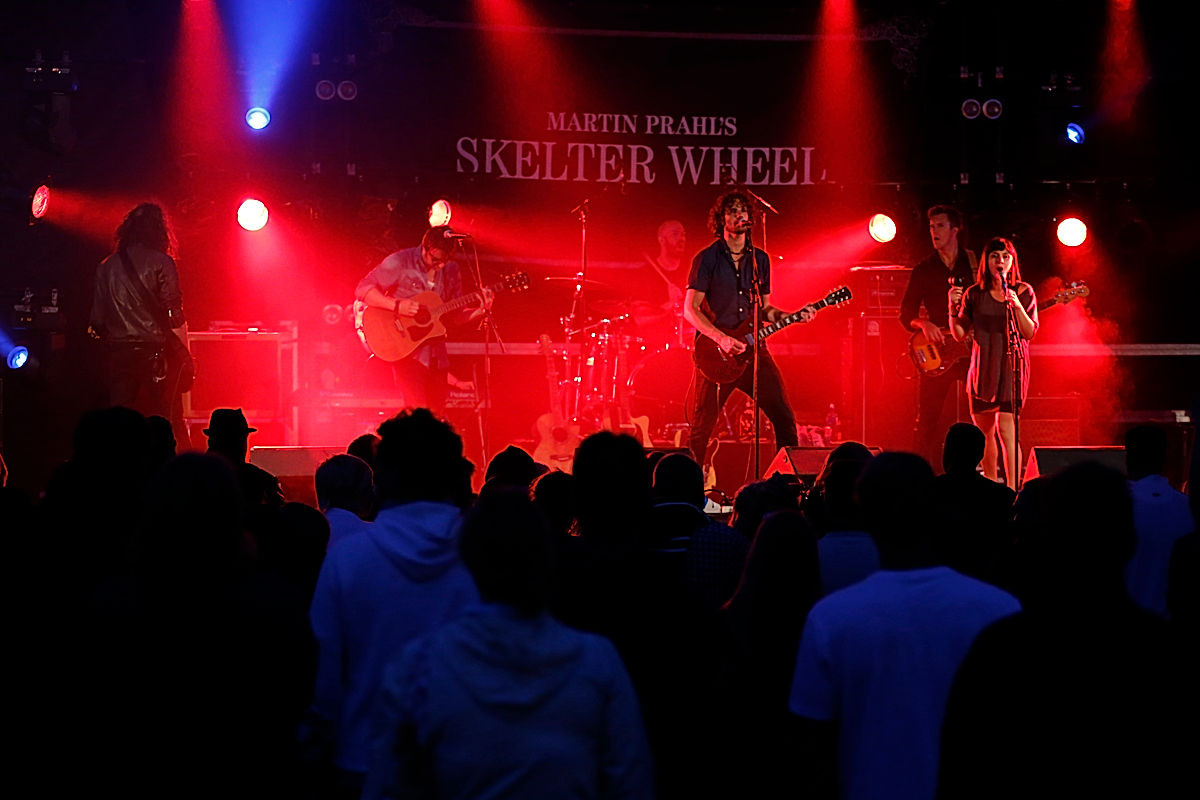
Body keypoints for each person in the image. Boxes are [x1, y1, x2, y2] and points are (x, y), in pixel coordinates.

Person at [683, 190, 806, 466]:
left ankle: (786, 486)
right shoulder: (707, 259)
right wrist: (722, 339)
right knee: (702, 428)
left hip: (754, 352)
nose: (741, 216)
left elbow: (765, 310)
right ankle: (688, 488)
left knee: (785, 420)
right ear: (721, 219)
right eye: (733, 211)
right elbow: (690, 309)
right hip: (716, 354)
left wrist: (793, 315)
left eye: (744, 211)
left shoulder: (759, 260)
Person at [355, 225, 492, 413]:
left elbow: (455, 316)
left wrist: (480, 310)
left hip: (437, 356)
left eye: (445, 260)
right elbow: (363, 290)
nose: (440, 265)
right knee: (417, 418)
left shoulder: (451, 270)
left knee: (437, 417)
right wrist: (396, 305)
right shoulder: (401, 262)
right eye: (435, 259)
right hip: (407, 352)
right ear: (424, 247)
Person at [89, 202, 190, 435]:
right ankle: (177, 467)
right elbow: (174, 314)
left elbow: (97, 320)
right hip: (156, 352)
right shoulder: (162, 262)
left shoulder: (106, 267)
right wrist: (185, 351)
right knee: (168, 417)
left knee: (119, 421)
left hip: (120, 354)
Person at [949, 237, 1038, 489]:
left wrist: (1017, 305)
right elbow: (959, 333)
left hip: (1011, 368)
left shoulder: (1022, 291)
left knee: (1008, 431)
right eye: (994, 257)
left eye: (1005, 257)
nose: (1000, 262)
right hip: (982, 369)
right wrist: (950, 306)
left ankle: (1012, 489)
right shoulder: (974, 294)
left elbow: (1029, 332)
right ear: (986, 261)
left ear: (1012, 261)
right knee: (984, 433)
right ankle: (989, 486)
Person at [898, 205, 977, 467]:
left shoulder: (975, 264)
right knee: (927, 419)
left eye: (940, 226)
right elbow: (905, 312)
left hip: (969, 349)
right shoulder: (924, 269)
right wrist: (923, 323)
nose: (934, 232)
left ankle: (977, 471)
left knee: (978, 414)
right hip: (937, 349)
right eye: (931, 227)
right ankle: (918, 474)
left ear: (955, 229)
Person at [630, 219, 689, 347]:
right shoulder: (645, 275)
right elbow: (640, 319)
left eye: (683, 234)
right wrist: (670, 305)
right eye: (675, 234)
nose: (682, 238)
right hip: (654, 346)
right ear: (662, 240)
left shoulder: (692, 272)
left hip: (687, 347)